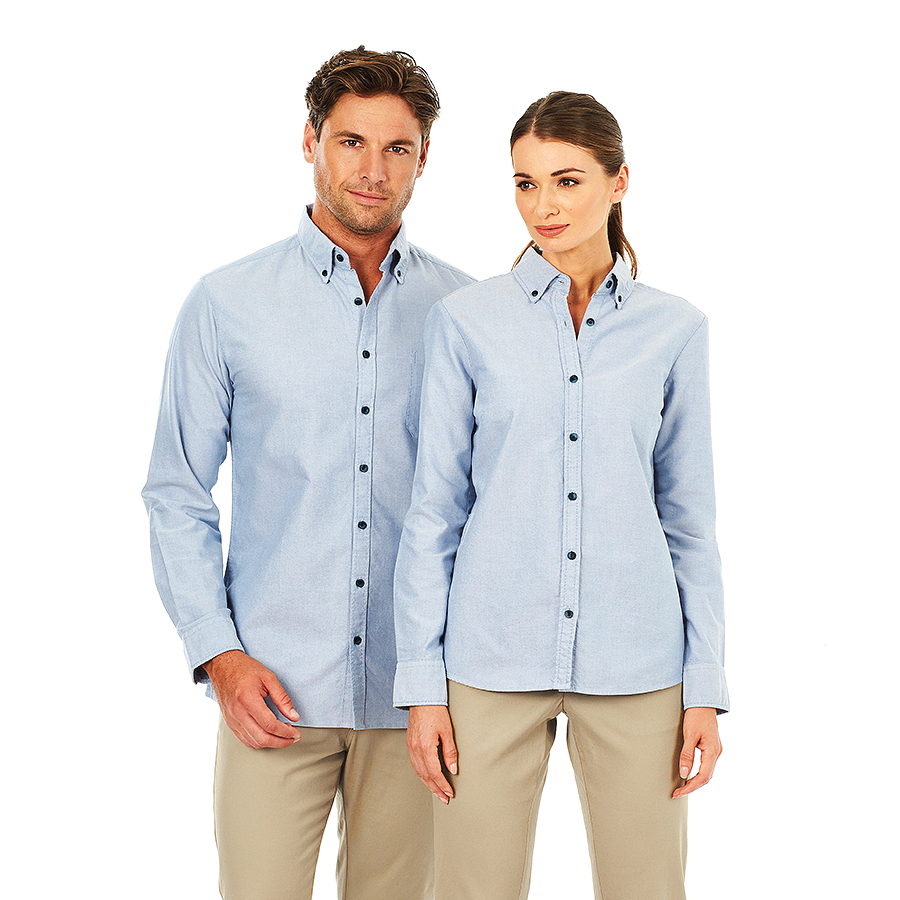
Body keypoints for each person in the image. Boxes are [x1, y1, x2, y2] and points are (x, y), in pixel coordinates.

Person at [142, 47, 472, 900]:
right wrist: (218, 653)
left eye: (397, 148)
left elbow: (489, 506)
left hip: (419, 699)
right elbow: (177, 492)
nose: (373, 170)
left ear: (425, 158)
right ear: (309, 142)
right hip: (271, 694)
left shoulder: (467, 315)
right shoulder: (225, 304)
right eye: (351, 141)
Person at [393, 91, 728, 900]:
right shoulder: (465, 322)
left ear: (619, 182)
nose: (543, 205)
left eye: (567, 181)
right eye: (525, 183)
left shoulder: (675, 329)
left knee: (648, 888)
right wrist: (422, 685)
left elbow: (689, 520)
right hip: (488, 655)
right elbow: (434, 511)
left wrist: (705, 687)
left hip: (638, 658)